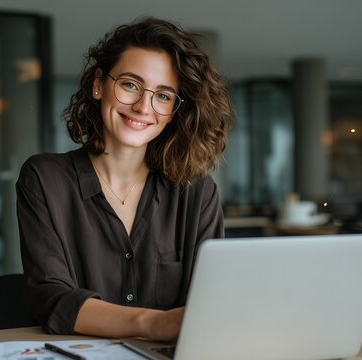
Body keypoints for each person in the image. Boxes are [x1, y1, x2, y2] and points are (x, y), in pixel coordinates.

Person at [16, 17, 234, 341]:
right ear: (98, 84)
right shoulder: (45, 180)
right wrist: (154, 324)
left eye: (163, 95)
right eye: (130, 85)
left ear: (175, 110)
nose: (144, 106)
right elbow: (53, 300)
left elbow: (212, 303)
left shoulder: (197, 193)